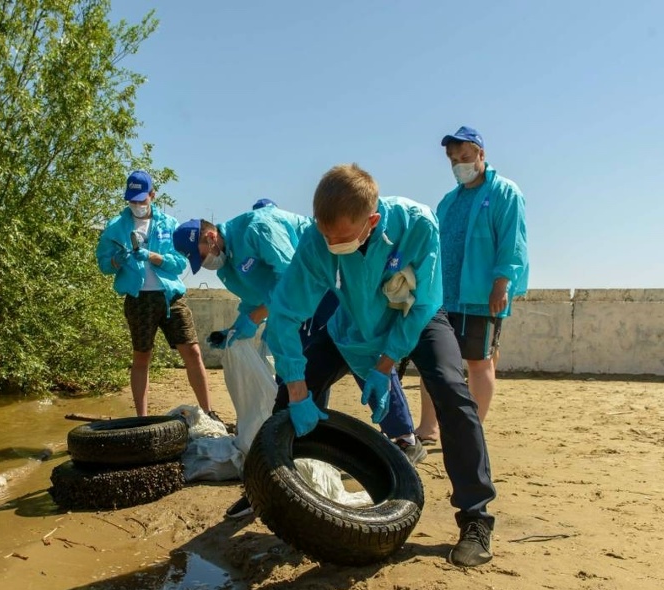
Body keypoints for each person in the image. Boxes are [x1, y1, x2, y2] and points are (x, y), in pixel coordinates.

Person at [266, 163, 497, 567]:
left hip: (418, 320)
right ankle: (268, 487)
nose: (330, 243)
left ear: (371, 221)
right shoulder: (316, 240)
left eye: (340, 238)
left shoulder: (417, 224)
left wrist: (384, 366)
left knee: (450, 390)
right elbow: (284, 316)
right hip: (352, 322)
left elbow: (421, 303)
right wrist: (300, 393)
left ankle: (475, 517)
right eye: (325, 234)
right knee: (288, 391)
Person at [172, 203, 423, 519]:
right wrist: (236, 328)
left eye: (202, 253)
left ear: (210, 235)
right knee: (296, 383)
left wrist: (255, 318)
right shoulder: (227, 270)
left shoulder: (257, 228)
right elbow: (254, 300)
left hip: (331, 286)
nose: (205, 262)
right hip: (297, 309)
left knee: (362, 353)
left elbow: (293, 276)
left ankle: (404, 440)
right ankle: (283, 468)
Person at [415, 127, 528, 444]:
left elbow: (512, 242)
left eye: (464, 157)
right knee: (432, 363)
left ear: (481, 154)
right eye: (453, 160)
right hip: (442, 296)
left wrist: (501, 284)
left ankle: (469, 432)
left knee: (479, 364)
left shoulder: (505, 193)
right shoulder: (449, 201)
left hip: (481, 296)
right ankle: (429, 427)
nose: (459, 165)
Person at [96, 170, 213, 417]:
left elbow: (180, 263)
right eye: (132, 200)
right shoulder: (115, 227)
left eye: (142, 199)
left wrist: (152, 256)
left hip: (170, 297)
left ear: (152, 195)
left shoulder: (169, 225)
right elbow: (104, 265)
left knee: (192, 351)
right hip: (138, 299)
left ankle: (208, 411)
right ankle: (142, 418)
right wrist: (118, 260)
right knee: (142, 356)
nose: (137, 205)